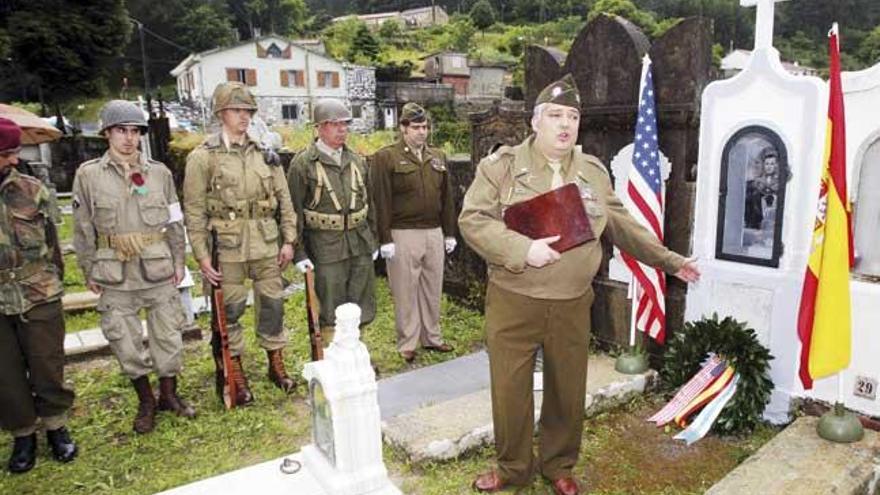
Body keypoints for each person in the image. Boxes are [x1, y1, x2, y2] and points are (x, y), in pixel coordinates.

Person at [458, 74, 701, 495]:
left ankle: (558, 465)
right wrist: (521, 249)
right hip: (515, 299)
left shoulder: (591, 172)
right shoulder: (501, 168)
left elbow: (623, 225)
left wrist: (669, 261)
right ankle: (513, 468)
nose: (565, 124)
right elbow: (473, 221)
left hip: (572, 303)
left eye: (572, 116)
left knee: (567, 390)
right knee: (510, 390)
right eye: (555, 115)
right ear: (535, 122)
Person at [73, 100, 195, 434]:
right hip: (114, 271)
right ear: (107, 134)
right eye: (120, 131)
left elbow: (174, 221)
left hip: (157, 266)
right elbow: (83, 227)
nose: (128, 138)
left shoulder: (159, 173)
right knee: (123, 339)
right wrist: (88, 269)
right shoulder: (89, 175)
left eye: (134, 131)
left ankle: (169, 394)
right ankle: (146, 400)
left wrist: (179, 261)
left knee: (168, 334)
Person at [184, 82, 298, 405]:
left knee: (273, 304)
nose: (244, 117)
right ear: (221, 113)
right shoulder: (202, 158)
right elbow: (193, 212)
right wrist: (202, 257)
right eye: (237, 110)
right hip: (227, 246)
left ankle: (275, 363)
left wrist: (289, 239)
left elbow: (284, 199)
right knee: (229, 310)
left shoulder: (266, 154)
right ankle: (234, 370)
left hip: (265, 244)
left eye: (248, 111)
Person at [0, 118, 77, 473]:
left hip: (38, 293)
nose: (13, 160)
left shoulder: (33, 191)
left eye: (15, 152)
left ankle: (56, 426)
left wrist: (54, 285)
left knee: (48, 364)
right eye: (5, 154)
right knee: (6, 373)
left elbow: (53, 247)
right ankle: (23, 434)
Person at [371, 102, 457, 363]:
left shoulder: (438, 156)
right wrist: (383, 238)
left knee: (432, 286)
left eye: (425, 127)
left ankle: (432, 337)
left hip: (433, 231)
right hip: (403, 232)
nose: (422, 132)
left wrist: (449, 232)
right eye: (416, 127)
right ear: (403, 129)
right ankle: (408, 341)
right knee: (405, 289)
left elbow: (448, 198)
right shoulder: (386, 157)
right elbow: (379, 200)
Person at [287, 99, 377, 343]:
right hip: (325, 247)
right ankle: (333, 358)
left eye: (345, 124)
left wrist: (374, 241)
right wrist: (299, 253)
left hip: (359, 243)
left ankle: (357, 354)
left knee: (360, 303)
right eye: (334, 124)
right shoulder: (303, 164)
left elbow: (370, 205)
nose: (342, 130)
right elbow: (292, 212)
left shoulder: (357, 161)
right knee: (329, 307)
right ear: (319, 128)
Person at [744, 148, 779, 230]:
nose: (769, 167)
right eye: (767, 164)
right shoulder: (756, 182)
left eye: (772, 164)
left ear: (776, 165)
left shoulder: (779, 182)